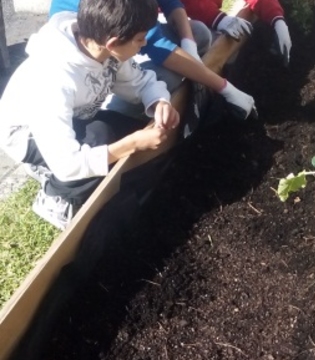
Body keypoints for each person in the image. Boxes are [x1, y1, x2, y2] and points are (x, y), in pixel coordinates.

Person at [0, 0, 181, 230]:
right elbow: (68, 164)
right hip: (28, 134)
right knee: (101, 138)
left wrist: (159, 102)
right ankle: (56, 196)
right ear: (113, 43)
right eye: (140, 39)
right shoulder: (53, 78)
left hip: (75, 117)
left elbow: (140, 81)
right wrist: (132, 144)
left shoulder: (103, 46)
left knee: (125, 138)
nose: (144, 43)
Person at [49, 0, 257, 120]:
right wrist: (227, 89)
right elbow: (156, 43)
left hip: (116, 41)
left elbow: (170, 2)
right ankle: (119, 113)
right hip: (89, 55)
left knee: (199, 33)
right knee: (168, 77)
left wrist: (188, 44)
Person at [181, 0, 292, 66]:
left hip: (197, 18)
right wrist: (217, 19)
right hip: (171, 21)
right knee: (205, 36)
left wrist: (277, 20)